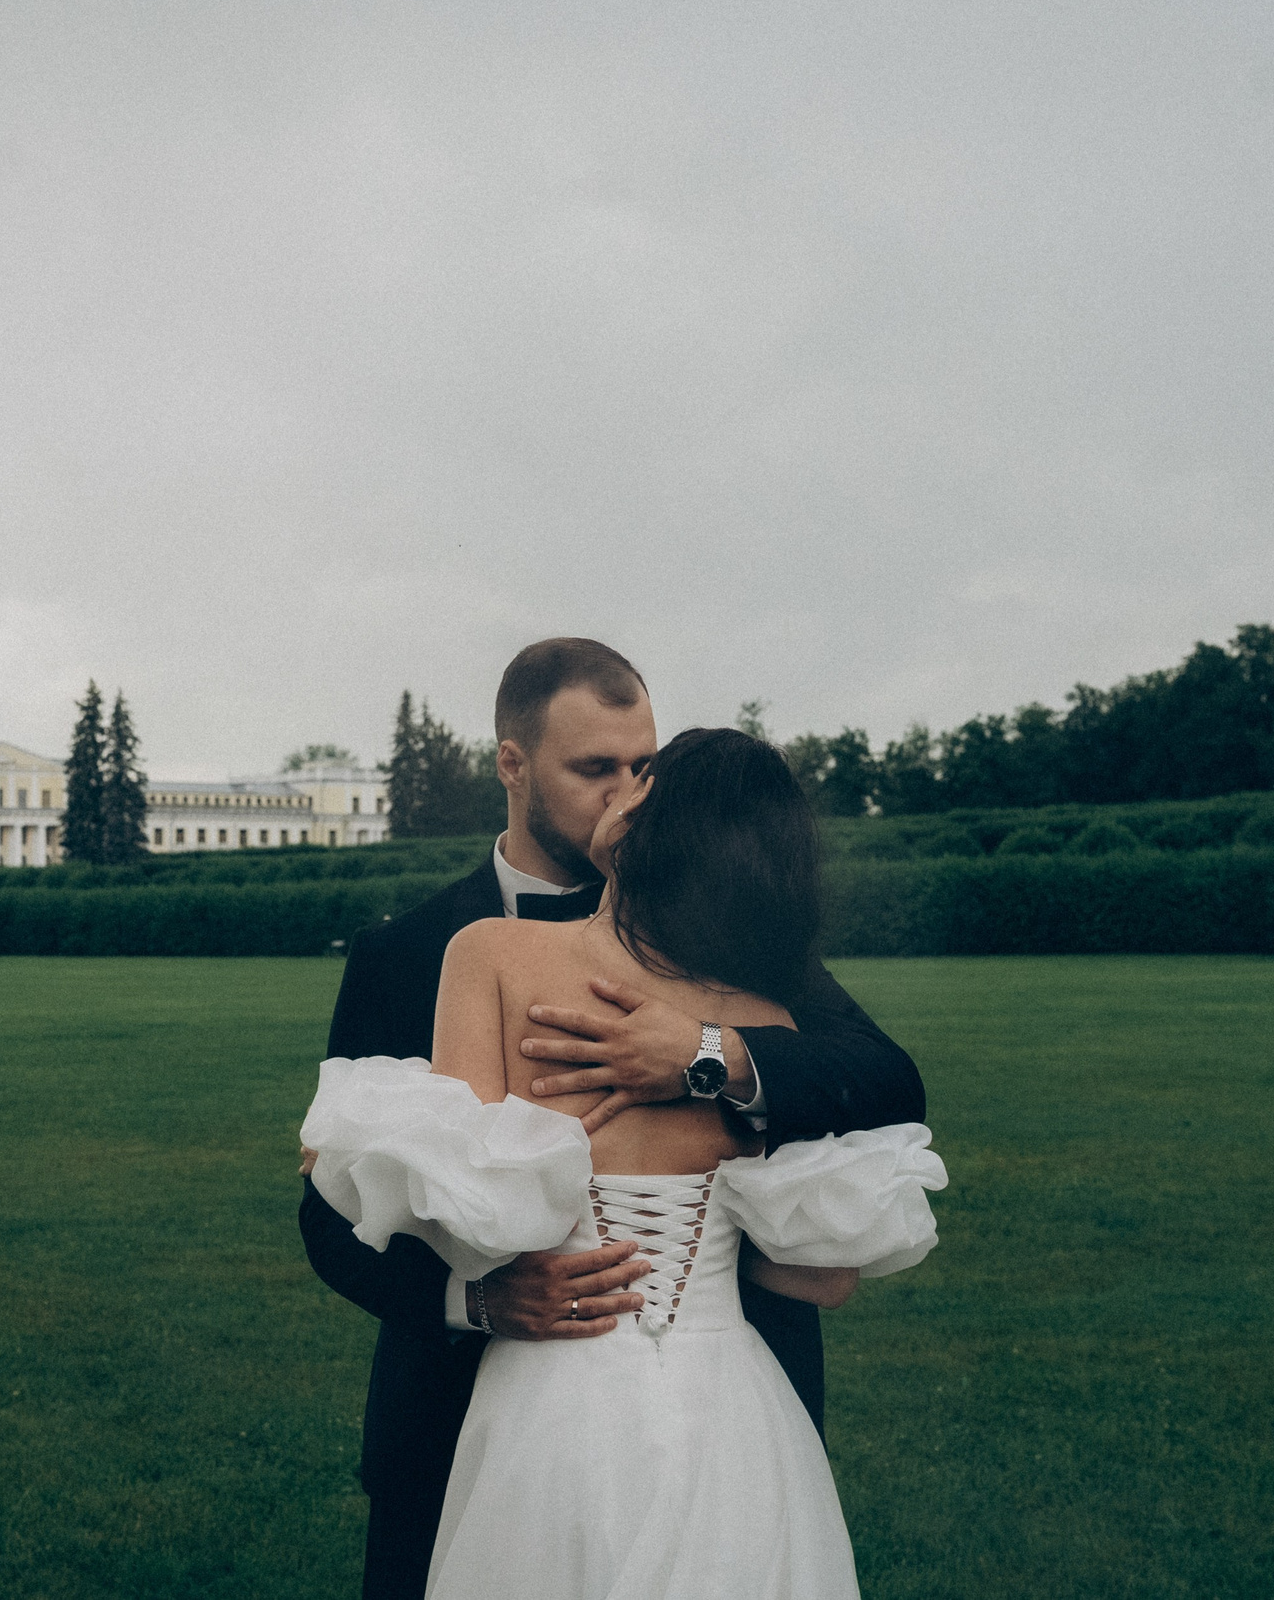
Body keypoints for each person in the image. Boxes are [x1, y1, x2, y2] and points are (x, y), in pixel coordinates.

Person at [300, 639, 926, 1599]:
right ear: (513, 764)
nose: (625, 790)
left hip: (713, 1421)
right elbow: (329, 1223)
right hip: (465, 1408)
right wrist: (476, 1298)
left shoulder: (739, 958)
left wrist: (706, 1055)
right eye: (596, 768)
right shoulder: (408, 953)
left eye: (644, 767)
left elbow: (884, 1076)